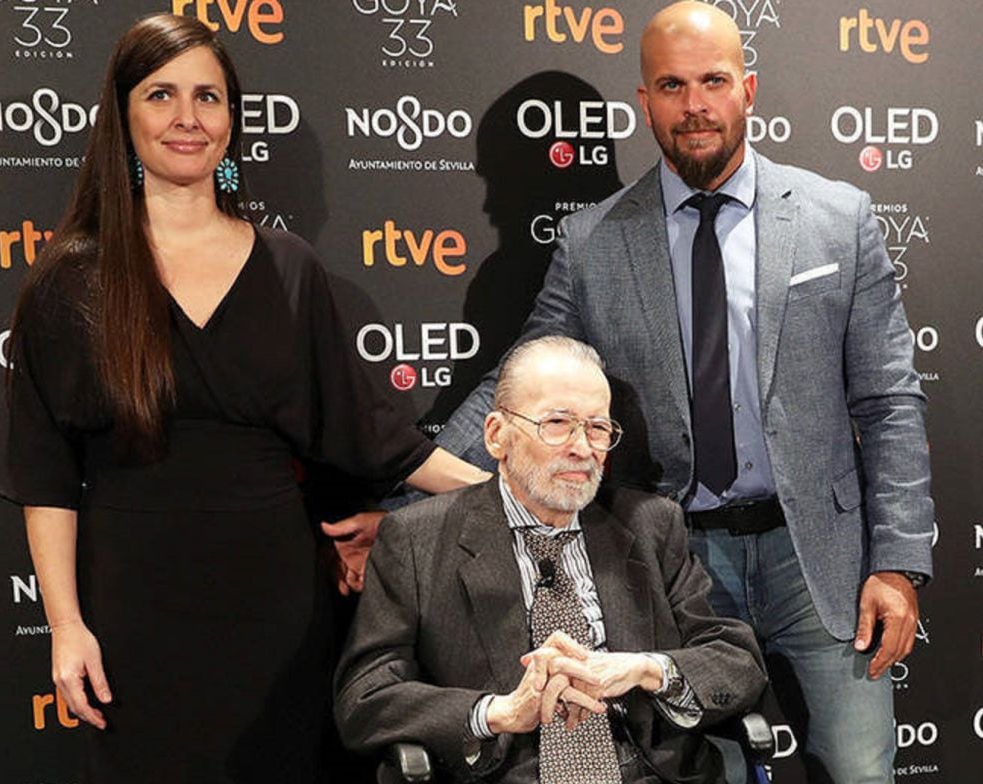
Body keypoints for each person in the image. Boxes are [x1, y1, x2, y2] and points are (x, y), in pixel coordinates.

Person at [386, 3, 934, 781]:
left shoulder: (836, 220)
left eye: (713, 81)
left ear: (749, 88)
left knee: (859, 769)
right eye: (672, 86)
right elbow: (516, 384)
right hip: (676, 566)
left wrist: (899, 564)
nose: (695, 104)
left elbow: (889, 402)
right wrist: (412, 503)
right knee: (706, 771)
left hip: (821, 563)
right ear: (644, 103)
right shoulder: (592, 242)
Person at [1, 14, 487, 783]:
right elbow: (45, 476)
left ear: (233, 119)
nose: (188, 118)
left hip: (280, 612)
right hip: (133, 613)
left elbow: (384, 442)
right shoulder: (71, 280)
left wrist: (529, 499)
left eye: (209, 97)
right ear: (123, 116)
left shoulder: (291, 268)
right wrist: (66, 627)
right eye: (161, 95)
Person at [335, 336, 766, 783]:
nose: (582, 447)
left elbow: (736, 660)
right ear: (497, 435)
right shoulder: (416, 539)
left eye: (598, 428)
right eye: (557, 423)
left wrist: (645, 668)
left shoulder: (650, 525)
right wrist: (496, 713)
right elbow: (365, 698)